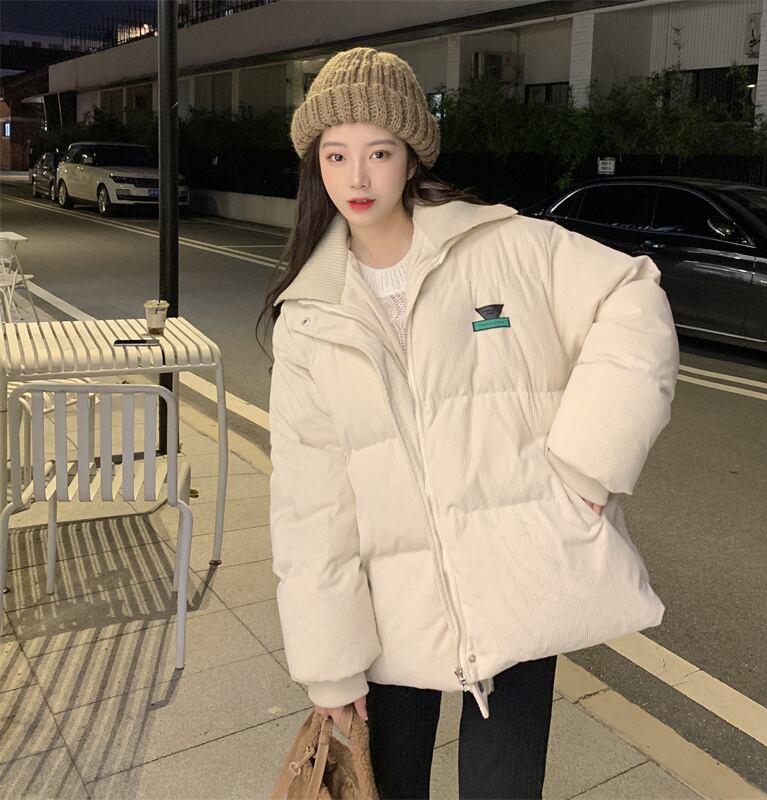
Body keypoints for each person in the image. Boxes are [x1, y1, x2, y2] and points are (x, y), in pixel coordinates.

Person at [260, 46, 679, 800]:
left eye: (378, 152)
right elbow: (309, 503)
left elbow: (633, 294)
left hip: (519, 581)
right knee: (392, 786)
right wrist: (329, 667)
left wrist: (588, 464)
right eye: (336, 155)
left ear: (411, 156)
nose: (357, 179)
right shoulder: (310, 317)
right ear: (314, 164)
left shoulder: (507, 247)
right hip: (387, 608)